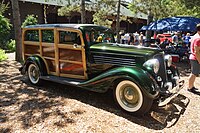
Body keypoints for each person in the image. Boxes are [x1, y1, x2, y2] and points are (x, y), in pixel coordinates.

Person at [188, 23, 200, 93]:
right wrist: (199, 61)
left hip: (194, 58)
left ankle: (191, 86)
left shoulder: (195, 36)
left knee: (194, 73)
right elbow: (196, 52)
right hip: (195, 58)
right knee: (194, 73)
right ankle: (190, 87)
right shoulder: (198, 38)